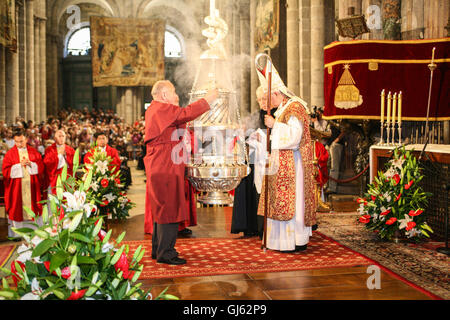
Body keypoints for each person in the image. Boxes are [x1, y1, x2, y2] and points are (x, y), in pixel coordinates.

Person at [144, 80, 217, 265]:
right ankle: (166, 253)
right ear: (164, 95)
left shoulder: (155, 109)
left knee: (162, 210)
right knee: (169, 209)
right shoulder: (160, 107)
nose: (177, 95)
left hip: (162, 163)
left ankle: (158, 249)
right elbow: (185, 113)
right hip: (165, 164)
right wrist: (207, 99)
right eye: (174, 92)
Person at [256, 61, 316, 252]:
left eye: (269, 97)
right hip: (281, 164)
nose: (268, 103)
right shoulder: (282, 109)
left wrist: (275, 125)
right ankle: (280, 241)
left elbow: (295, 137)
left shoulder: (294, 107)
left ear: (277, 93)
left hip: (293, 166)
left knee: (292, 204)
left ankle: (293, 241)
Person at [231, 86, 272, 238]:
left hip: (269, 160)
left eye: (265, 99)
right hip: (254, 158)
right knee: (248, 187)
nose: (262, 102)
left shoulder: (276, 116)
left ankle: (263, 227)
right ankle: (250, 225)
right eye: (260, 99)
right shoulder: (255, 116)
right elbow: (245, 134)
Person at [2, 130, 45, 239]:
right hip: (17, 189)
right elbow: (6, 171)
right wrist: (18, 165)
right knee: (17, 209)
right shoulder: (10, 154)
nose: (19, 144)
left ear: (26, 139)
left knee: (33, 208)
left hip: (32, 188)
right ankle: (18, 234)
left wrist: (31, 164)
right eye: (16, 142)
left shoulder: (34, 152)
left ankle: (35, 233)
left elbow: (41, 167)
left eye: (21, 141)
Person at [43, 130, 77, 196]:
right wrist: (59, 155)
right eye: (59, 136)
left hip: (68, 178)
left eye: (63, 136)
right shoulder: (49, 149)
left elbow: (75, 162)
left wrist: (66, 156)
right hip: (55, 178)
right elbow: (47, 162)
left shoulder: (70, 149)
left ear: (65, 137)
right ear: (55, 138)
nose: (61, 138)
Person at [325, 121, 345, 195]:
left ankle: (332, 188)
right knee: (326, 164)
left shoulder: (339, 118)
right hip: (329, 143)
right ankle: (326, 185)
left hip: (336, 144)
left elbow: (344, 131)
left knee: (334, 166)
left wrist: (335, 141)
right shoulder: (329, 119)